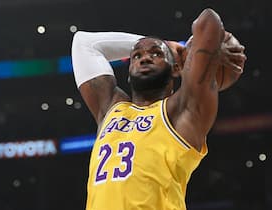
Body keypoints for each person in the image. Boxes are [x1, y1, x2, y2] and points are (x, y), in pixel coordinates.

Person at [72, 8, 246, 210]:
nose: (144, 58)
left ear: (176, 68)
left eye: (156, 55)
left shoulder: (182, 111)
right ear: (128, 73)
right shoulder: (111, 108)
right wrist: (160, 45)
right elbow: (83, 43)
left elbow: (208, 21)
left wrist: (181, 50)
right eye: (136, 56)